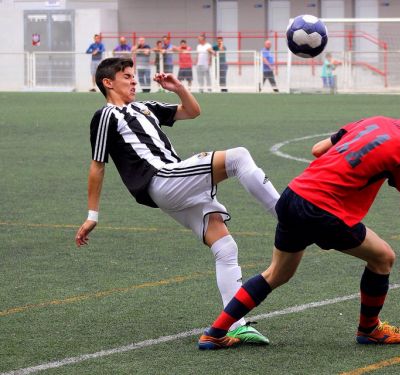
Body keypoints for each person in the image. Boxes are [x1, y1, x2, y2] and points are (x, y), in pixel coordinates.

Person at [197, 89, 400, 350]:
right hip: (323, 210)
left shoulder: (372, 121)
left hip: (293, 196)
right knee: (383, 258)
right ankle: (370, 329)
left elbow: (318, 149)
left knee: (276, 274)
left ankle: (215, 332)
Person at [75, 57, 280, 345]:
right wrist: (92, 215)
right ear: (108, 83)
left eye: (134, 76)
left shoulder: (144, 107)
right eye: (127, 77)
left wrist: (178, 88)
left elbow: (192, 111)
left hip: (176, 185)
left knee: (225, 247)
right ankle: (289, 216)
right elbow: (98, 165)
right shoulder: (106, 116)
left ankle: (232, 324)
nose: (134, 80)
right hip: (162, 178)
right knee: (239, 157)